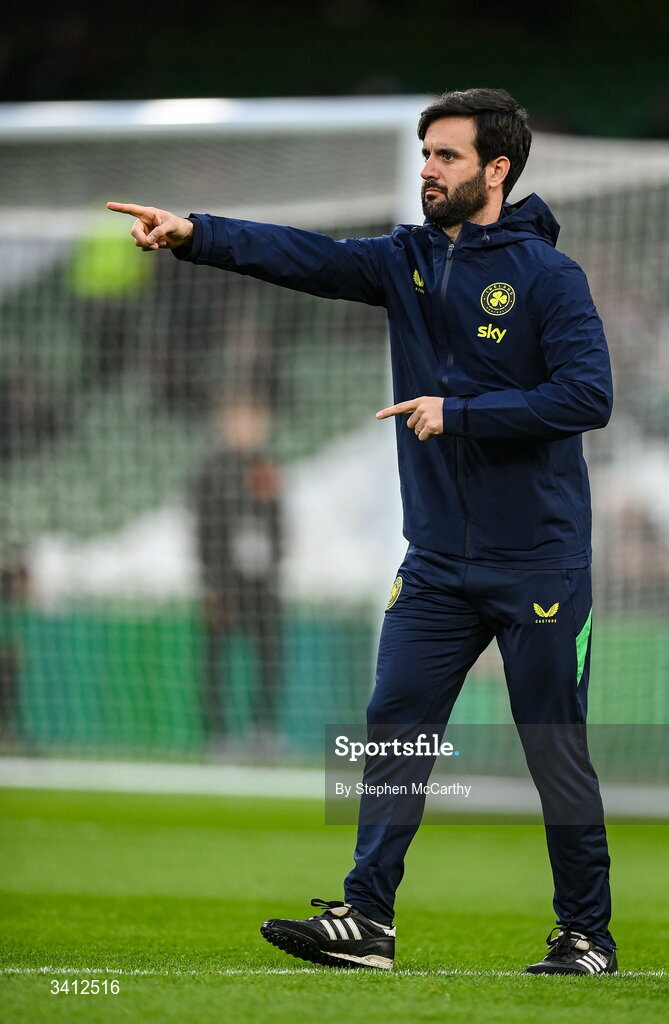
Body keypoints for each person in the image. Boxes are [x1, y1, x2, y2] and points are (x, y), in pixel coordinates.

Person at [107, 87, 616, 976]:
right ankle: (367, 919)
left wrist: (458, 414)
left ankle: (587, 935)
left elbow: (587, 397)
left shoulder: (548, 277)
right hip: (436, 565)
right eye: (425, 153)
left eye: (447, 156)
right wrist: (195, 233)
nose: (427, 168)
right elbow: (302, 256)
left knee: (552, 749)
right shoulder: (406, 261)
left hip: (539, 560)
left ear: (496, 170)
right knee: (391, 727)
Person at [189, 393, 283, 747]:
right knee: (216, 659)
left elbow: (277, 525)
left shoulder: (266, 465)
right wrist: (212, 584)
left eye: (253, 420)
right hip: (224, 582)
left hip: (262, 583)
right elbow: (202, 530)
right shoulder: (210, 471)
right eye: (239, 420)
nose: (246, 428)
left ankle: (264, 730)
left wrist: (274, 570)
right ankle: (218, 733)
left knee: (270, 656)